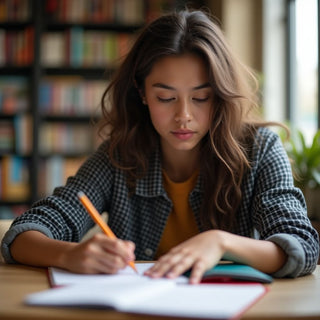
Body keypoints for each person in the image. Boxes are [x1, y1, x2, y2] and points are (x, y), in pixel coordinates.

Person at [1, 9, 319, 284]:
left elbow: (302, 246)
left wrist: (220, 242)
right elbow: (24, 234)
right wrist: (70, 255)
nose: (184, 116)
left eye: (201, 98)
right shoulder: (120, 155)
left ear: (221, 94)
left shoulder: (260, 150)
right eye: (165, 98)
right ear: (142, 93)